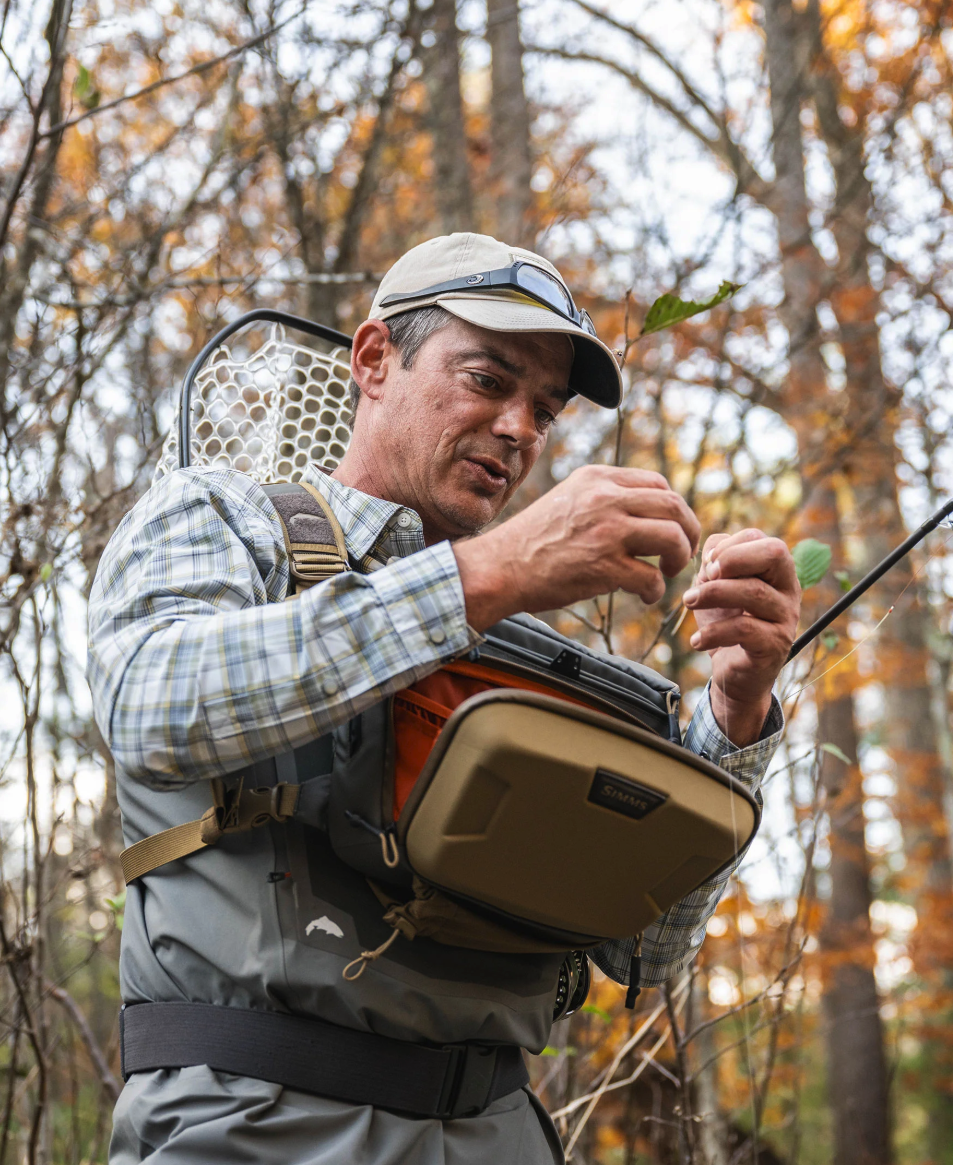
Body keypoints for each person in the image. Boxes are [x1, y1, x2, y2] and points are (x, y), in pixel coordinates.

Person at [87, 232, 800, 1165]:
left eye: (543, 410)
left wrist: (737, 711)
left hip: (496, 1133)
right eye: (488, 379)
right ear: (375, 359)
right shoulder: (223, 517)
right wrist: (490, 573)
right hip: (249, 1125)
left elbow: (641, 952)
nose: (520, 429)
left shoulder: (539, 657)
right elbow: (150, 700)